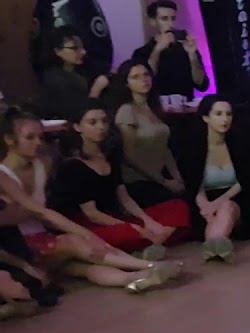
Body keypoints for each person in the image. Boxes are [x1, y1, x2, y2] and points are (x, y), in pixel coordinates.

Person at [0, 109, 177, 294]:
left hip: (44, 239)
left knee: (83, 267)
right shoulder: (3, 175)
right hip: (20, 248)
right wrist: (86, 234)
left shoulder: (43, 163)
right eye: (30, 137)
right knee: (79, 242)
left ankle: (133, 278)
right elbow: (42, 212)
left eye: (40, 137)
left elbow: (45, 213)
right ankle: (149, 265)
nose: (38, 143)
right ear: (10, 140)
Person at [50, 101, 191, 258]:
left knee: (178, 206)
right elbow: (92, 214)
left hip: (116, 216)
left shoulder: (110, 157)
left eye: (104, 121)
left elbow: (125, 198)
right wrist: (130, 227)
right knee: (128, 232)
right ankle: (148, 241)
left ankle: (153, 241)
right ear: (77, 127)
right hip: (92, 225)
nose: (101, 127)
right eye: (93, 123)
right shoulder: (73, 166)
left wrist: (148, 220)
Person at [177, 95, 250, 262]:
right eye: (218, 114)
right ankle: (217, 246)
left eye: (228, 114)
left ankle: (213, 245)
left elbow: (245, 179)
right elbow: (192, 183)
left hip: (234, 197)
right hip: (202, 201)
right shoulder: (193, 146)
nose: (225, 119)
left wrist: (217, 203)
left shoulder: (239, 142)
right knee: (217, 213)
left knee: (227, 207)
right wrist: (207, 209)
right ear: (206, 117)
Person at [114, 59, 184, 208]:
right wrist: (164, 181)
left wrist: (177, 177)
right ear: (126, 83)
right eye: (135, 77)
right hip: (137, 181)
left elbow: (165, 149)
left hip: (158, 177)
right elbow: (130, 155)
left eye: (146, 75)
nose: (143, 80)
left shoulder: (154, 109)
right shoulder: (127, 110)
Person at [130, 0, 209, 100]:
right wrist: (157, 50)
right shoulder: (142, 52)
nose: (170, 24)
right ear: (153, 21)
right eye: (164, 19)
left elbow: (202, 84)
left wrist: (192, 55)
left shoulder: (184, 49)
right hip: (157, 107)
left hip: (186, 107)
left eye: (173, 18)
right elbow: (145, 82)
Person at [38, 28, 110, 121]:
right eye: (75, 48)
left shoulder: (84, 72)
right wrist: (96, 90)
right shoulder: (54, 79)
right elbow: (77, 112)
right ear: (57, 51)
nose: (83, 52)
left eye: (82, 47)